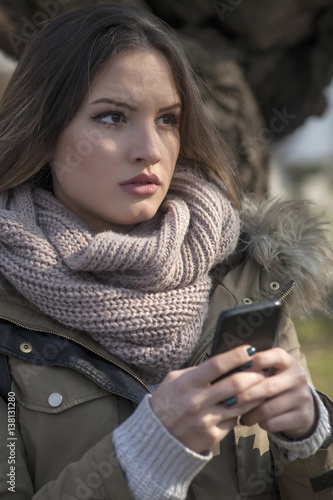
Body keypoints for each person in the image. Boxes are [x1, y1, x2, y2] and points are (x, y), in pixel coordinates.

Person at [0, 5, 332, 499]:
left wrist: (311, 436)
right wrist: (148, 452)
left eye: (168, 119)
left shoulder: (247, 274)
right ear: (46, 133)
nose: (150, 149)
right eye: (112, 117)